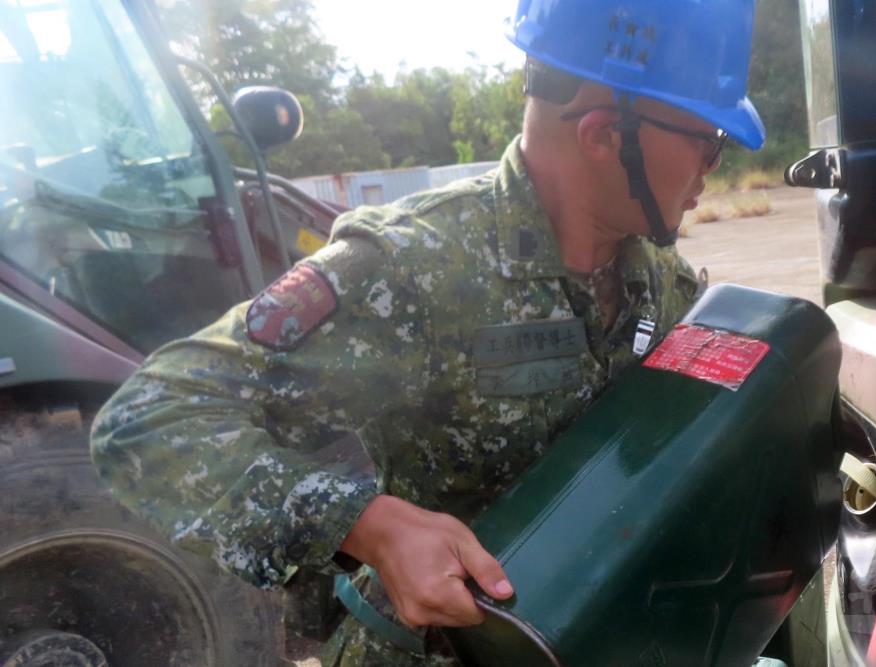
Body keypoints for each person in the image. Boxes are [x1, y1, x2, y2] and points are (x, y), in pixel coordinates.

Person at [90, 0, 765, 664]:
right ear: (603, 135)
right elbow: (146, 419)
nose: (715, 165)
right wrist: (369, 526)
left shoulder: (664, 281)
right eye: (709, 141)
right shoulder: (413, 268)